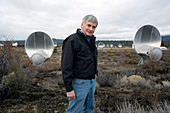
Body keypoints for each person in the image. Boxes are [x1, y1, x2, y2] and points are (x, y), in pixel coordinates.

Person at [61, 14, 98, 113]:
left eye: (93, 27)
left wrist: (95, 73)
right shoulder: (72, 40)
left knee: (88, 108)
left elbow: (92, 59)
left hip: (91, 81)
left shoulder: (91, 41)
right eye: (89, 25)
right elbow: (66, 65)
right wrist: (69, 89)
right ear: (82, 24)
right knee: (75, 110)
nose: (91, 29)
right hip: (79, 83)